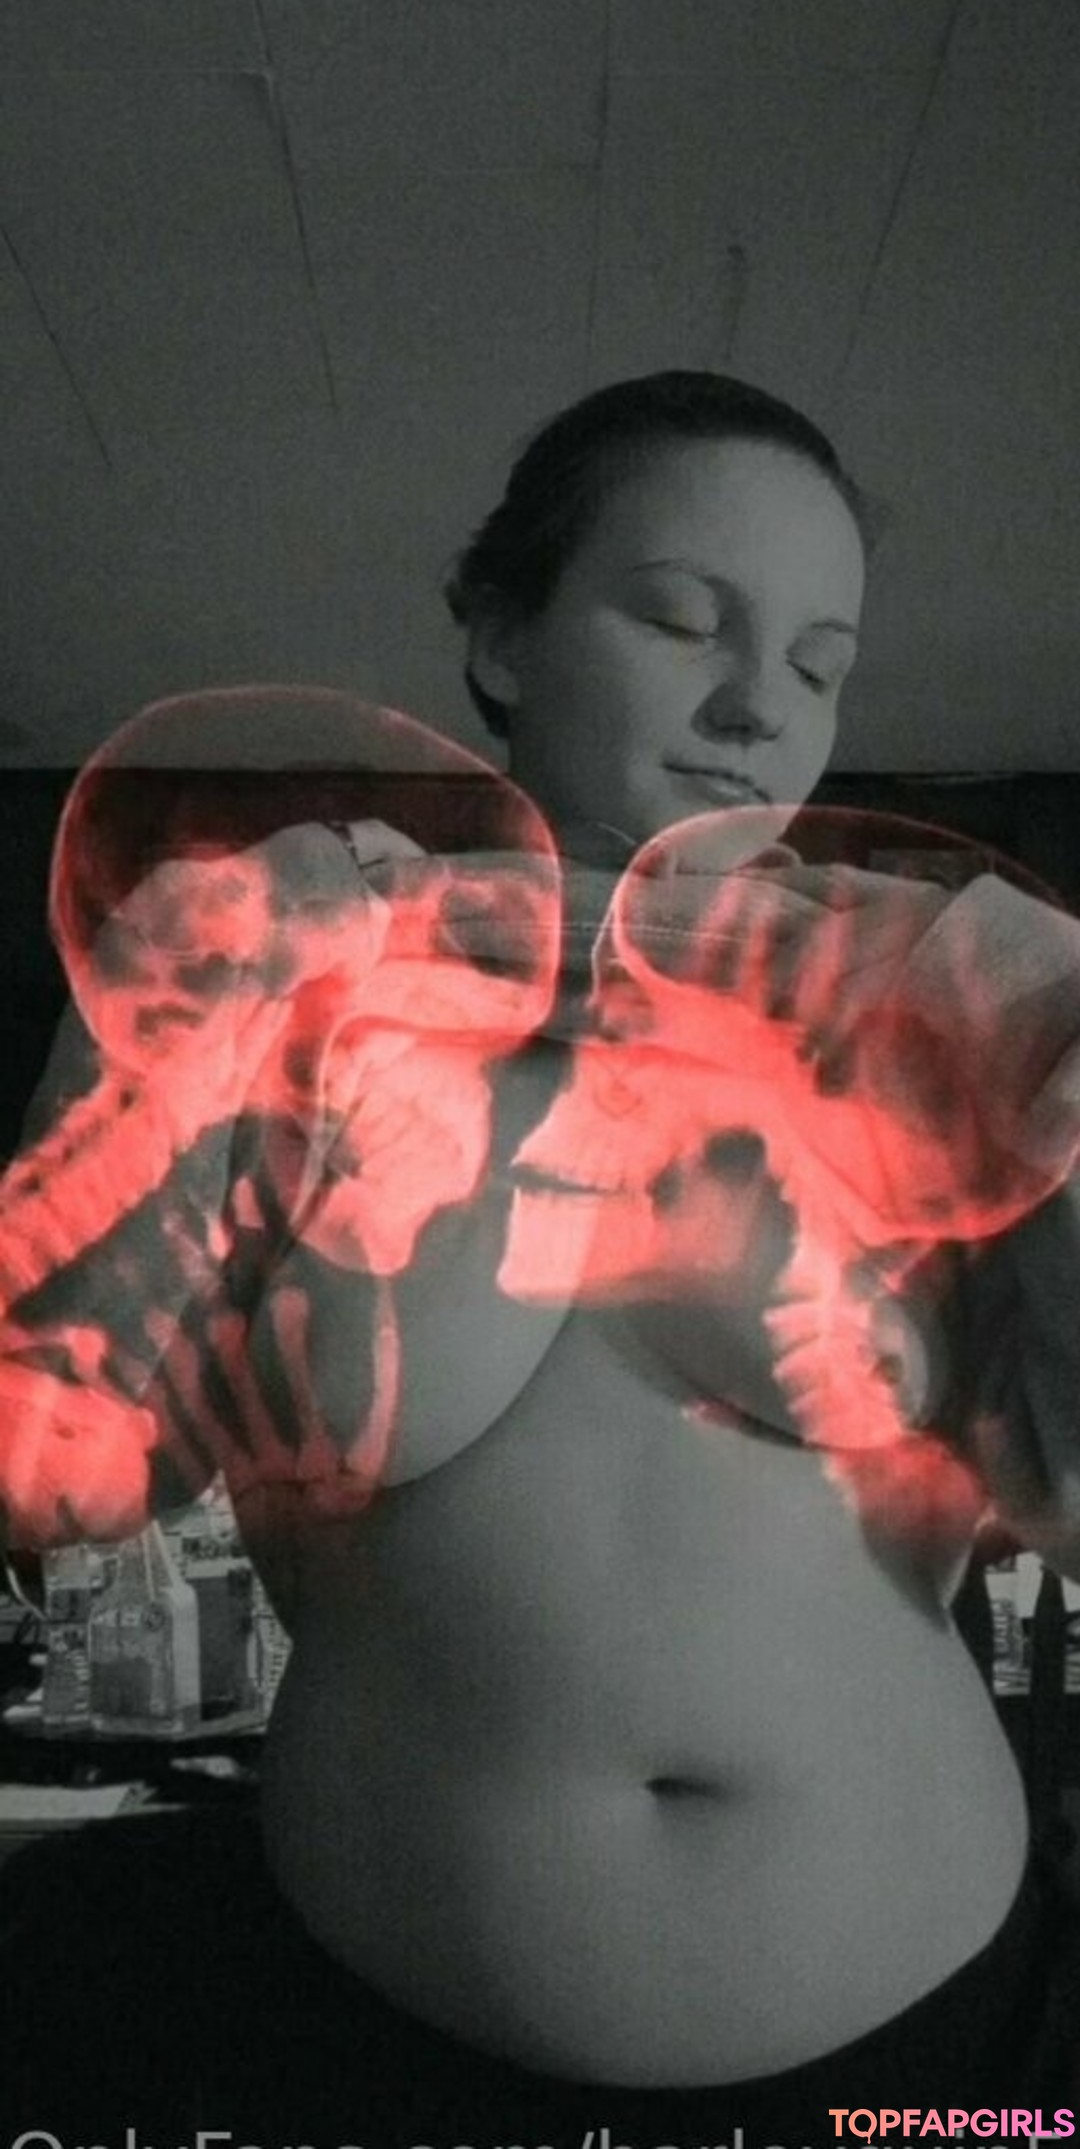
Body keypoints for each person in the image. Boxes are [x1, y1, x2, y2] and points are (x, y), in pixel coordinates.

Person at [2, 372, 1080, 2139]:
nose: (759, 706)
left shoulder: (932, 1009)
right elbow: (49, 1458)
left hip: (938, 2053)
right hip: (385, 2049)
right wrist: (187, 1008)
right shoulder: (311, 982)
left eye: (820, 664)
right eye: (683, 619)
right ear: (504, 633)